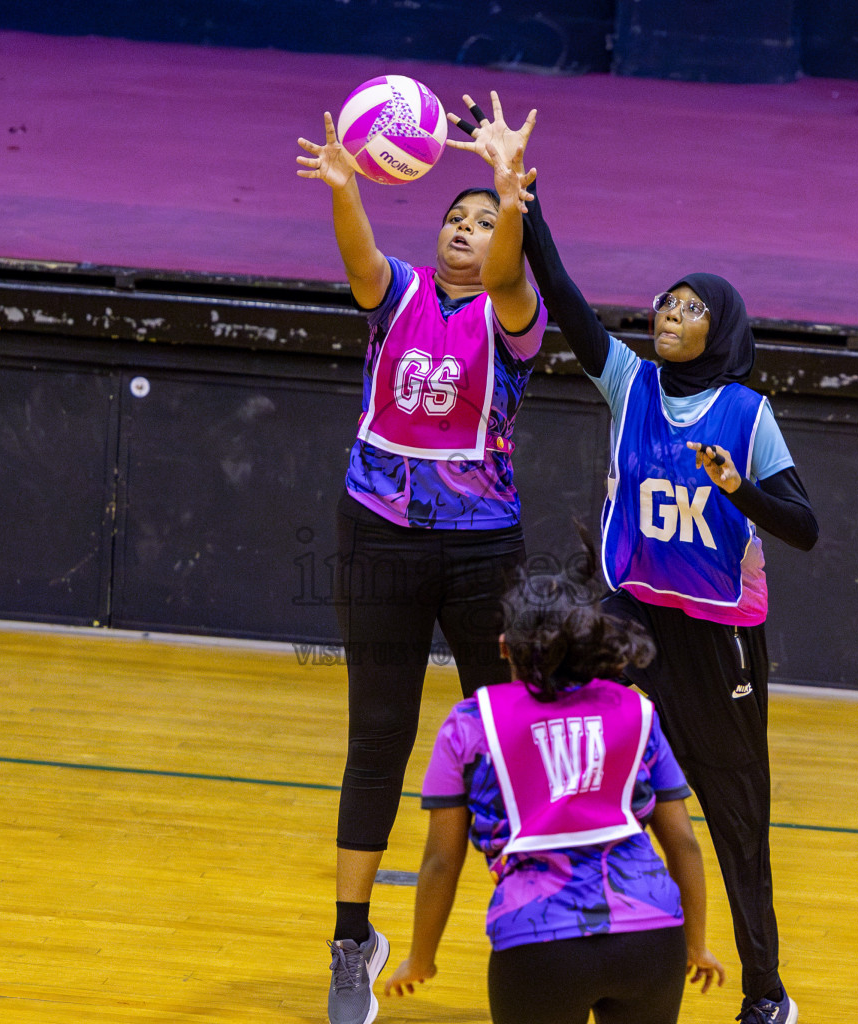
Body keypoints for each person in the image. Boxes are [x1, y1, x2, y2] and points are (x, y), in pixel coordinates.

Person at [450, 95, 819, 1024]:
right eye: (667, 300)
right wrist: (520, 194)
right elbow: (563, 294)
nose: (669, 312)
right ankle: (576, 944)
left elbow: (804, 526)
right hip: (625, 624)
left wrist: (740, 491)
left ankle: (767, 993)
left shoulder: (748, 412)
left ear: (720, 331)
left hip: (716, 644)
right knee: (597, 792)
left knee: (736, 821)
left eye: (691, 308)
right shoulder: (629, 381)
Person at [296, 94, 548, 1024]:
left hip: (484, 551)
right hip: (379, 534)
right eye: (455, 218)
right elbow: (359, 258)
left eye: (481, 224)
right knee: (379, 739)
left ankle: (526, 916)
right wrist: (344, 185)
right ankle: (350, 939)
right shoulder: (397, 294)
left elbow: (516, 271)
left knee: (503, 737)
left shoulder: (515, 317)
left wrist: (509, 190)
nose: (465, 231)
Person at [383, 550, 727, 1023]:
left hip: (539, 942)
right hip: (651, 936)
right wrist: (696, 943)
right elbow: (684, 844)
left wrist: (421, 958)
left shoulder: (469, 724)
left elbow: (443, 861)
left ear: (504, 646)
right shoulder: (637, 711)